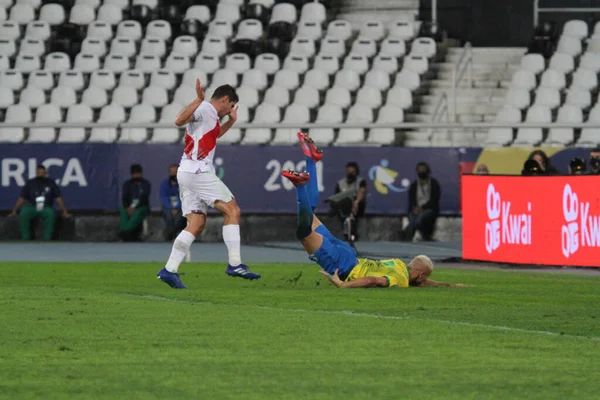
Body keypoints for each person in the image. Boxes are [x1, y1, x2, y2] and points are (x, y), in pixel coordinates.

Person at [282, 132, 466, 289]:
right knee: (304, 232)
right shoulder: (401, 279)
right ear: (420, 276)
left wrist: (447, 286)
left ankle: (311, 159)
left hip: (350, 256)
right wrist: (342, 284)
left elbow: (421, 278)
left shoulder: (400, 264)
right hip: (343, 266)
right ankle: (300, 186)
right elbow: (373, 280)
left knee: (310, 214)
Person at [157, 80, 261, 289]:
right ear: (225, 99)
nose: (230, 110)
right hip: (197, 170)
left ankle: (169, 270)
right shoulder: (205, 108)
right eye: (231, 106)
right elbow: (178, 121)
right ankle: (235, 264)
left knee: (196, 224)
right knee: (232, 210)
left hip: (187, 171)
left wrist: (230, 122)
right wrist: (198, 100)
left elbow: (214, 136)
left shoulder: (211, 116)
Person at [8, 165, 70, 240]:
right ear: (36, 173)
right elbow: (21, 198)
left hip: (45, 207)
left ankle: (47, 238)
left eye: (43, 173)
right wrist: (14, 211)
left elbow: (58, 198)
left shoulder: (51, 183)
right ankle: (25, 238)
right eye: (39, 173)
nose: (41, 174)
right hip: (33, 207)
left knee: (50, 213)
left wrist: (65, 211)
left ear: (45, 173)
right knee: (24, 212)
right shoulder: (30, 183)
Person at [327, 161, 367, 244]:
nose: (350, 173)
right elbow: (337, 196)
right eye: (348, 171)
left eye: (352, 172)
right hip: (344, 205)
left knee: (354, 215)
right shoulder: (340, 183)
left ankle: (352, 233)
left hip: (357, 206)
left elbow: (361, 192)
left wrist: (356, 202)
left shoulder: (361, 181)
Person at [401, 162, 441, 242]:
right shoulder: (414, 185)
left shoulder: (434, 184)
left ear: (428, 171)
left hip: (429, 209)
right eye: (420, 170)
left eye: (423, 169)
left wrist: (422, 208)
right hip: (415, 209)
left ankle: (406, 232)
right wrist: (415, 208)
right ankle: (423, 237)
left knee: (420, 218)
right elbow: (411, 200)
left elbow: (434, 199)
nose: (422, 171)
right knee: (412, 217)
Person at [120, 164, 151, 242]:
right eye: (134, 173)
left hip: (141, 207)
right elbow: (124, 197)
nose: (136, 175)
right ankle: (124, 229)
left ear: (141, 173)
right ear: (132, 174)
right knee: (123, 211)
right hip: (128, 207)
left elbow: (144, 198)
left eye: (138, 173)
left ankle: (126, 231)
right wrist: (127, 207)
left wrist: (134, 207)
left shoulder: (146, 184)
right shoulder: (127, 184)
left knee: (138, 212)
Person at [160, 164, 187, 241]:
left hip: (180, 206)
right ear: (169, 173)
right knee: (168, 213)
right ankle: (171, 233)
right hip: (169, 206)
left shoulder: (184, 183)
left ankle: (171, 233)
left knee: (180, 216)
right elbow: (163, 197)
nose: (174, 174)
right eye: (172, 172)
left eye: (176, 172)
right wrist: (171, 208)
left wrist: (177, 207)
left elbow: (184, 197)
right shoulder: (164, 183)